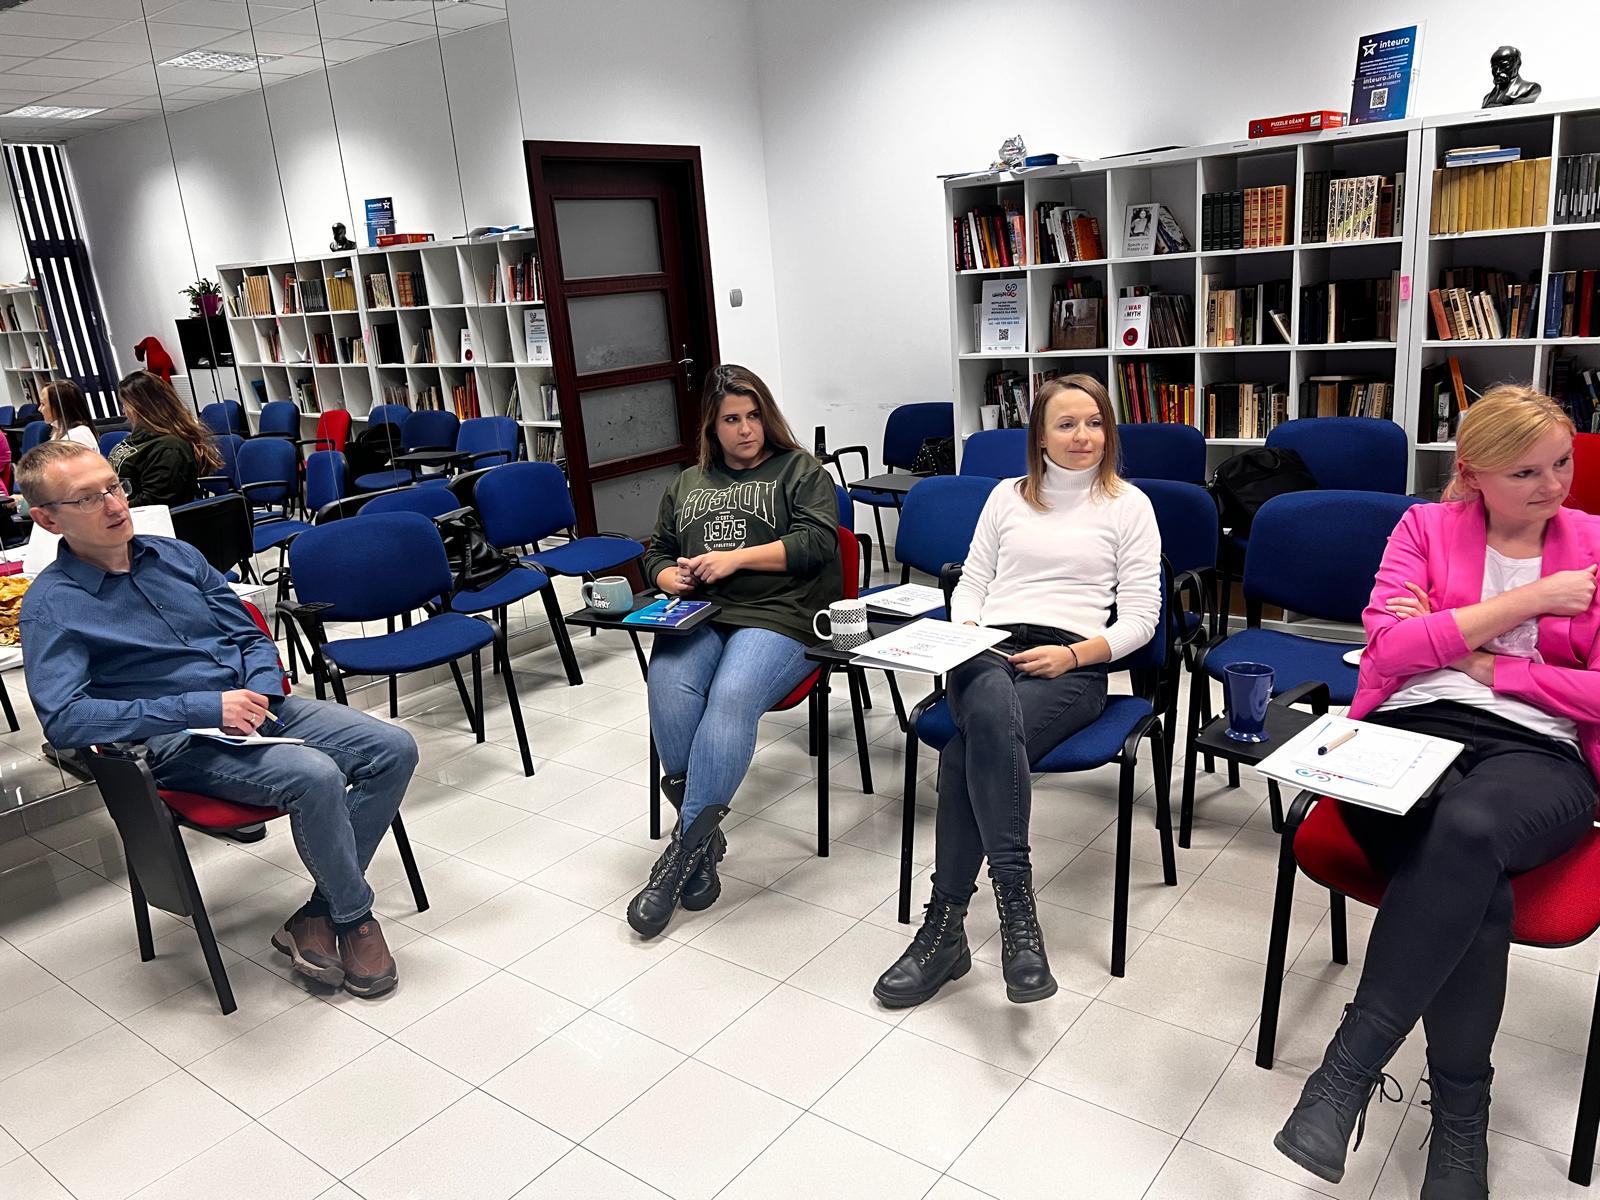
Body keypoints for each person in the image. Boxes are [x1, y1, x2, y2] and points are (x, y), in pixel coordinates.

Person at [1275, 385, 1600, 1199]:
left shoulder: (1596, 545)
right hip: (1406, 729)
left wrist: (1470, 653)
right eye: (1526, 471)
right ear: (1473, 472)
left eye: (1562, 462)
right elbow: (1387, 649)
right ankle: (1461, 1122)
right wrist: (1533, 601)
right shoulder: (1424, 527)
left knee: (1470, 827)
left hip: (1539, 748)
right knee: (1473, 886)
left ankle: (1345, 1074)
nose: (1554, 484)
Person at [18, 440, 419, 998]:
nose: (114, 505)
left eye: (114, 486)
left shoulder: (176, 557)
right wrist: (204, 707)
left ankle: (317, 914)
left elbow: (249, 634)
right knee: (315, 775)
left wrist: (258, 690)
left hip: (257, 707)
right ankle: (354, 918)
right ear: (47, 519)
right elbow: (65, 720)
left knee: (393, 748)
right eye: (87, 498)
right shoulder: (51, 605)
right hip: (178, 743)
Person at [874, 374, 1160, 1007]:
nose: (1083, 436)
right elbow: (972, 583)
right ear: (1040, 436)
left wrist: (1072, 656)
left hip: (1071, 662)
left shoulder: (1129, 506)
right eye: (1067, 424)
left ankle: (944, 932)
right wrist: (969, 634)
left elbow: (1142, 619)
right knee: (987, 716)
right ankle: (1017, 913)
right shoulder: (1006, 497)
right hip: (987, 651)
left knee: (963, 752)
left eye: (1095, 422)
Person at [627, 364, 842, 938]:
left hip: (782, 613)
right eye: (731, 419)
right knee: (667, 684)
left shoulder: (800, 471)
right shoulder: (687, 483)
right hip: (700, 613)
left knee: (731, 696)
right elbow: (657, 551)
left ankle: (678, 859)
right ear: (711, 427)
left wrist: (736, 559)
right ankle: (704, 842)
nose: (745, 429)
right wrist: (668, 576)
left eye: (753, 416)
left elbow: (818, 543)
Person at [105, 371, 220, 508]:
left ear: (141, 407)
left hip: (152, 516)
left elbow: (156, 500)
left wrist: (111, 508)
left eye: (125, 405)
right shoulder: (140, 437)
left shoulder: (170, 448)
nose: (124, 411)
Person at [39, 380, 99, 449]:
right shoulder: (60, 430)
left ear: (59, 406)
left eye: (43, 404)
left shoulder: (78, 435)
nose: (39, 409)